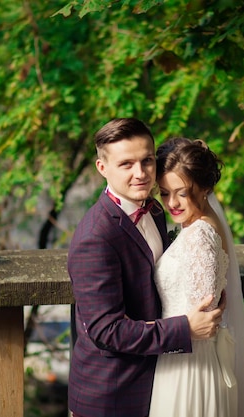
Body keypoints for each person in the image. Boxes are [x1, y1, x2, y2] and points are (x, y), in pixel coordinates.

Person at [67, 119, 225, 417]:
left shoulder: (154, 209)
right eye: (126, 164)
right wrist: (186, 328)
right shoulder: (95, 237)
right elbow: (106, 330)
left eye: (147, 161)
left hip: (162, 380)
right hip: (112, 395)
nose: (140, 174)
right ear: (102, 168)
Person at [148, 138, 244, 417]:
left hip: (189, 365)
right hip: (182, 355)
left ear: (205, 187)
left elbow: (204, 316)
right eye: (164, 193)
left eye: (182, 193)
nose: (172, 203)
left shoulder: (199, 236)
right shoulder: (201, 224)